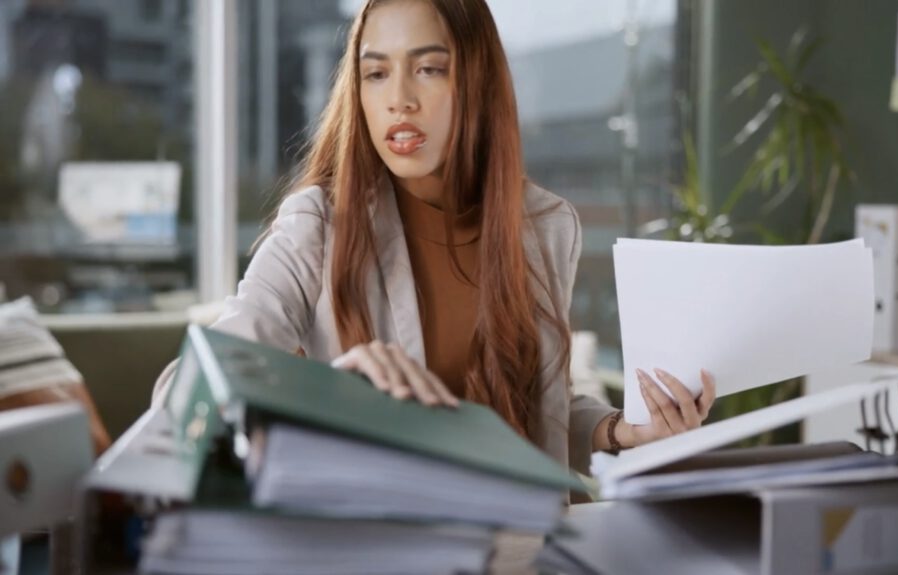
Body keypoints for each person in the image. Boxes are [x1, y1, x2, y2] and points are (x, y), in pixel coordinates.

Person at [154, 0, 716, 476]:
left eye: (428, 69)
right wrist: (325, 388)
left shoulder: (545, 226)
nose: (399, 98)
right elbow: (182, 397)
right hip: (383, 542)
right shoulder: (318, 226)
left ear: (476, 81)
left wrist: (622, 430)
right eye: (376, 74)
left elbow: (539, 406)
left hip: (523, 541)